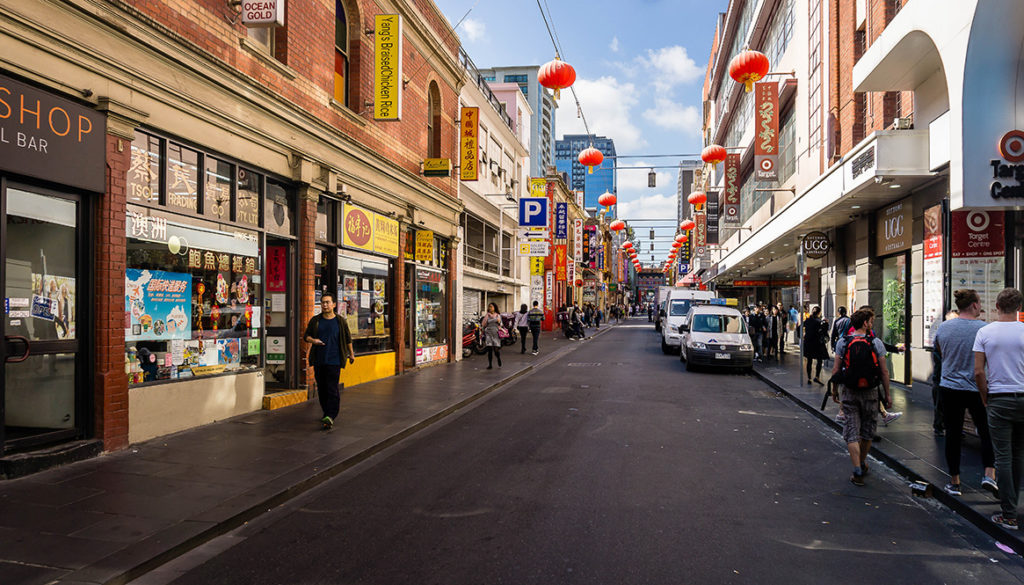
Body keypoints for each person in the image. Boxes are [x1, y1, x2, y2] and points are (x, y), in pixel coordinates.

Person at [933, 289, 997, 497]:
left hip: (950, 387)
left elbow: (942, 353)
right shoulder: (984, 329)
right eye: (979, 303)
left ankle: (955, 481)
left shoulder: (944, 328)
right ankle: (989, 474)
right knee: (986, 432)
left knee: (953, 433)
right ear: (974, 305)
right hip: (976, 387)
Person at [974, 288, 1024, 531]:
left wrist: (985, 397)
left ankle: (1009, 513)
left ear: (996, 306)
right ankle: (1013, 504)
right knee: (1018, 454)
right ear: (1019, 308)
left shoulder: (985, 332)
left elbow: (978, 371)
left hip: (999, 398)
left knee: (1002, 456)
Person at [833, 307, 890, 486]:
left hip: (849, 391)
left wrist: (834, 389)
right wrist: (887, 394)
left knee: (851, 431)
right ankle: (863, 462)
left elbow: (836, 370)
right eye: (871, 321)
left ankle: (857, 468)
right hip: (871, 392)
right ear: (865, 323)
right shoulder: (876, 343)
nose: (872, 324)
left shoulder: (843, 342)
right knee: (867, 431)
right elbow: (884, 371)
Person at [303, 293, 355, 429]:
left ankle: (331, 415)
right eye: (323, 303)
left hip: (335, 360)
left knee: (332, 388)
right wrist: (314, 340)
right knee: (322, 388)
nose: (325, 305)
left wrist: (352, 354)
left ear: (334, 304)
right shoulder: (316, 320)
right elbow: (306, 336)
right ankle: (326, 412)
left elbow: (348, 338)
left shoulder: (340, 321)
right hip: (319, 360)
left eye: (327, 302)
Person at [802, 306, 829, 384]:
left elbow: (799, 328)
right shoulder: (819, 321)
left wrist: (804, 335)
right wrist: (826, 323)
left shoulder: (807, 321)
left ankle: (809, 378)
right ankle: (817, 376)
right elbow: (824, 331)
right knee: (819, 360)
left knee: (809, 360)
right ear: (819, 313)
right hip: (817, 344)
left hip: (808, 343)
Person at [481, 302, 503, 369]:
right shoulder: (487, 315)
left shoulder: (498, 315)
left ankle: (498, 358)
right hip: (488, 333)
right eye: (489, 306)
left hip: (495, 333)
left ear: (494, 308)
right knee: (489, 349)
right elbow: (483, 324)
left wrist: (499, 322)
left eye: (491, 306)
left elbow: (501, 324)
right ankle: (490, 364)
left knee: (496, 349)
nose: (490, 308)